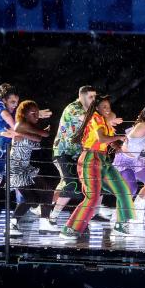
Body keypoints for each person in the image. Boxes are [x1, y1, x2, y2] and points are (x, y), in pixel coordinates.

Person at [60, 96, 134, 240]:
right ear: (97, 108)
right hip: (90, 159)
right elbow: (102, 139)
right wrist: (119, 137)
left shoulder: (105, 123)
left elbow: (109, 141)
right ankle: (69, 228)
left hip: (103, 160)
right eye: (104, 107)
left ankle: (121, 224)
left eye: (109, 107)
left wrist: (120, 147)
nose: (108, 110)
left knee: (123, 189)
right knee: (92, 197)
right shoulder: (95, 118)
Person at [50, 86, 97, 227]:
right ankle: (48, 212)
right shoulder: (74, 108)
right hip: (63, 152)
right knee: (72, 185)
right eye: (91, 97)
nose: (94, 100)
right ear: (81, 96)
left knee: (68, 185)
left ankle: (48, 211)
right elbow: (90, 121)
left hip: (76, 154)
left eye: (95, 97)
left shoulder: (90, 111)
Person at [8, 100, 54, 235]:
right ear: (24, 114)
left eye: (37, 113)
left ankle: (43, 223)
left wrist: (38, 134)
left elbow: (38, 140)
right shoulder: (20, 124)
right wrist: (42, 132)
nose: (36, 116)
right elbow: (42, 136)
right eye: (33, 113)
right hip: (17, 168)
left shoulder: (23, 128)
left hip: (25, 167)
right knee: (43, 193)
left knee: (36, 197)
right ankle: (13, 225)